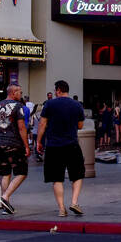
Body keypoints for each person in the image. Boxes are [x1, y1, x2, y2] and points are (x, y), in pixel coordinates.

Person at [36, 80, 86, 218]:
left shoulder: (49, 104)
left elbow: (42, 124)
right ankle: (74, 202)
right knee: (78, 174)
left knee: (56, 178)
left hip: (53, 145)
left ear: (58, 90)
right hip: (72, 144)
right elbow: (80, 126)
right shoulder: (77, 105)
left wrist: (38, 141)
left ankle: (61, 209)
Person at [0, 83, 30, 214]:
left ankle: (5, 206)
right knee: (22, 172)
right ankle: (5, 197)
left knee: (6, 173)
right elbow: (21, 127)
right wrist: (26, 145)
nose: (21, 94)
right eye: (19, 91)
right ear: (13, 92)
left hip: (0, 143)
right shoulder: (18, 107)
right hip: (14, 144)